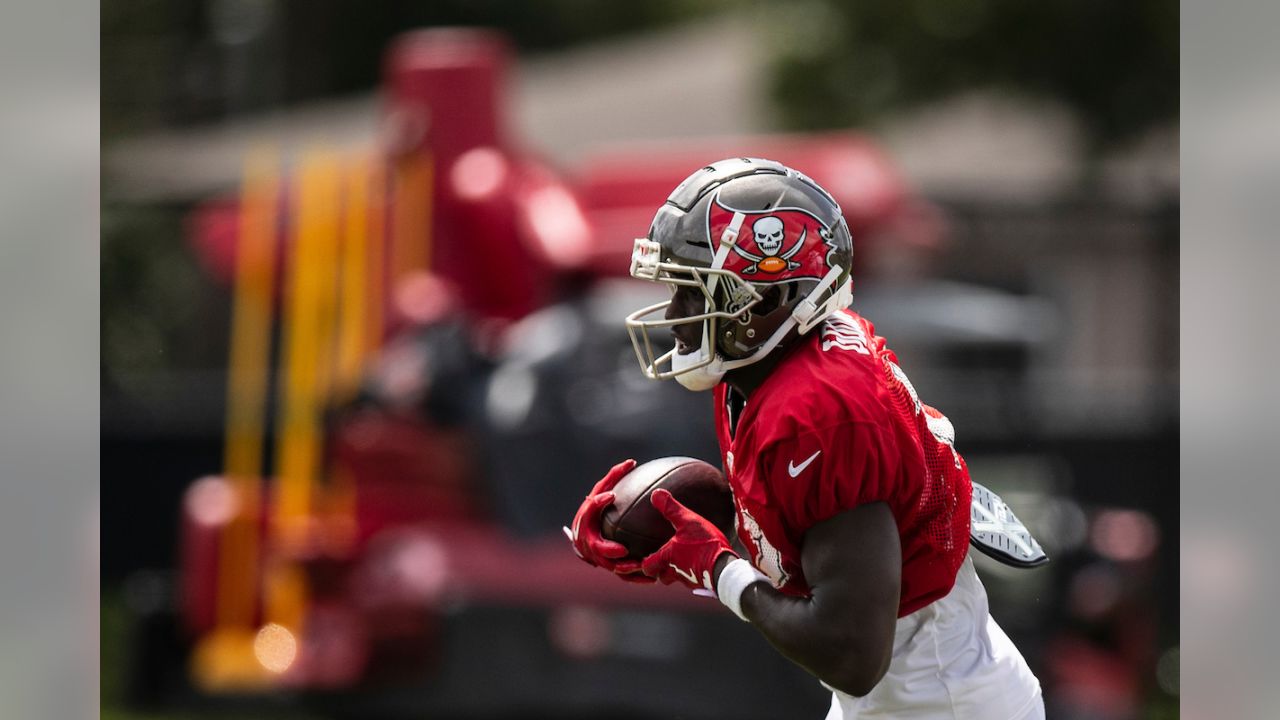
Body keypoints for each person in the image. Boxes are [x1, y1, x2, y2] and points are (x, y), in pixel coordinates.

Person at [566, 158, 1045, 719]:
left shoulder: (819, 413)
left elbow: (851, 655)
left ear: (767, 301)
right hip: (912, 692)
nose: (674, 315)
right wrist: (677, 525)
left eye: (695, 294)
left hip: (936, 702)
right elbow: (808, 517)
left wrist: (717, 569)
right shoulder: (766, 365)